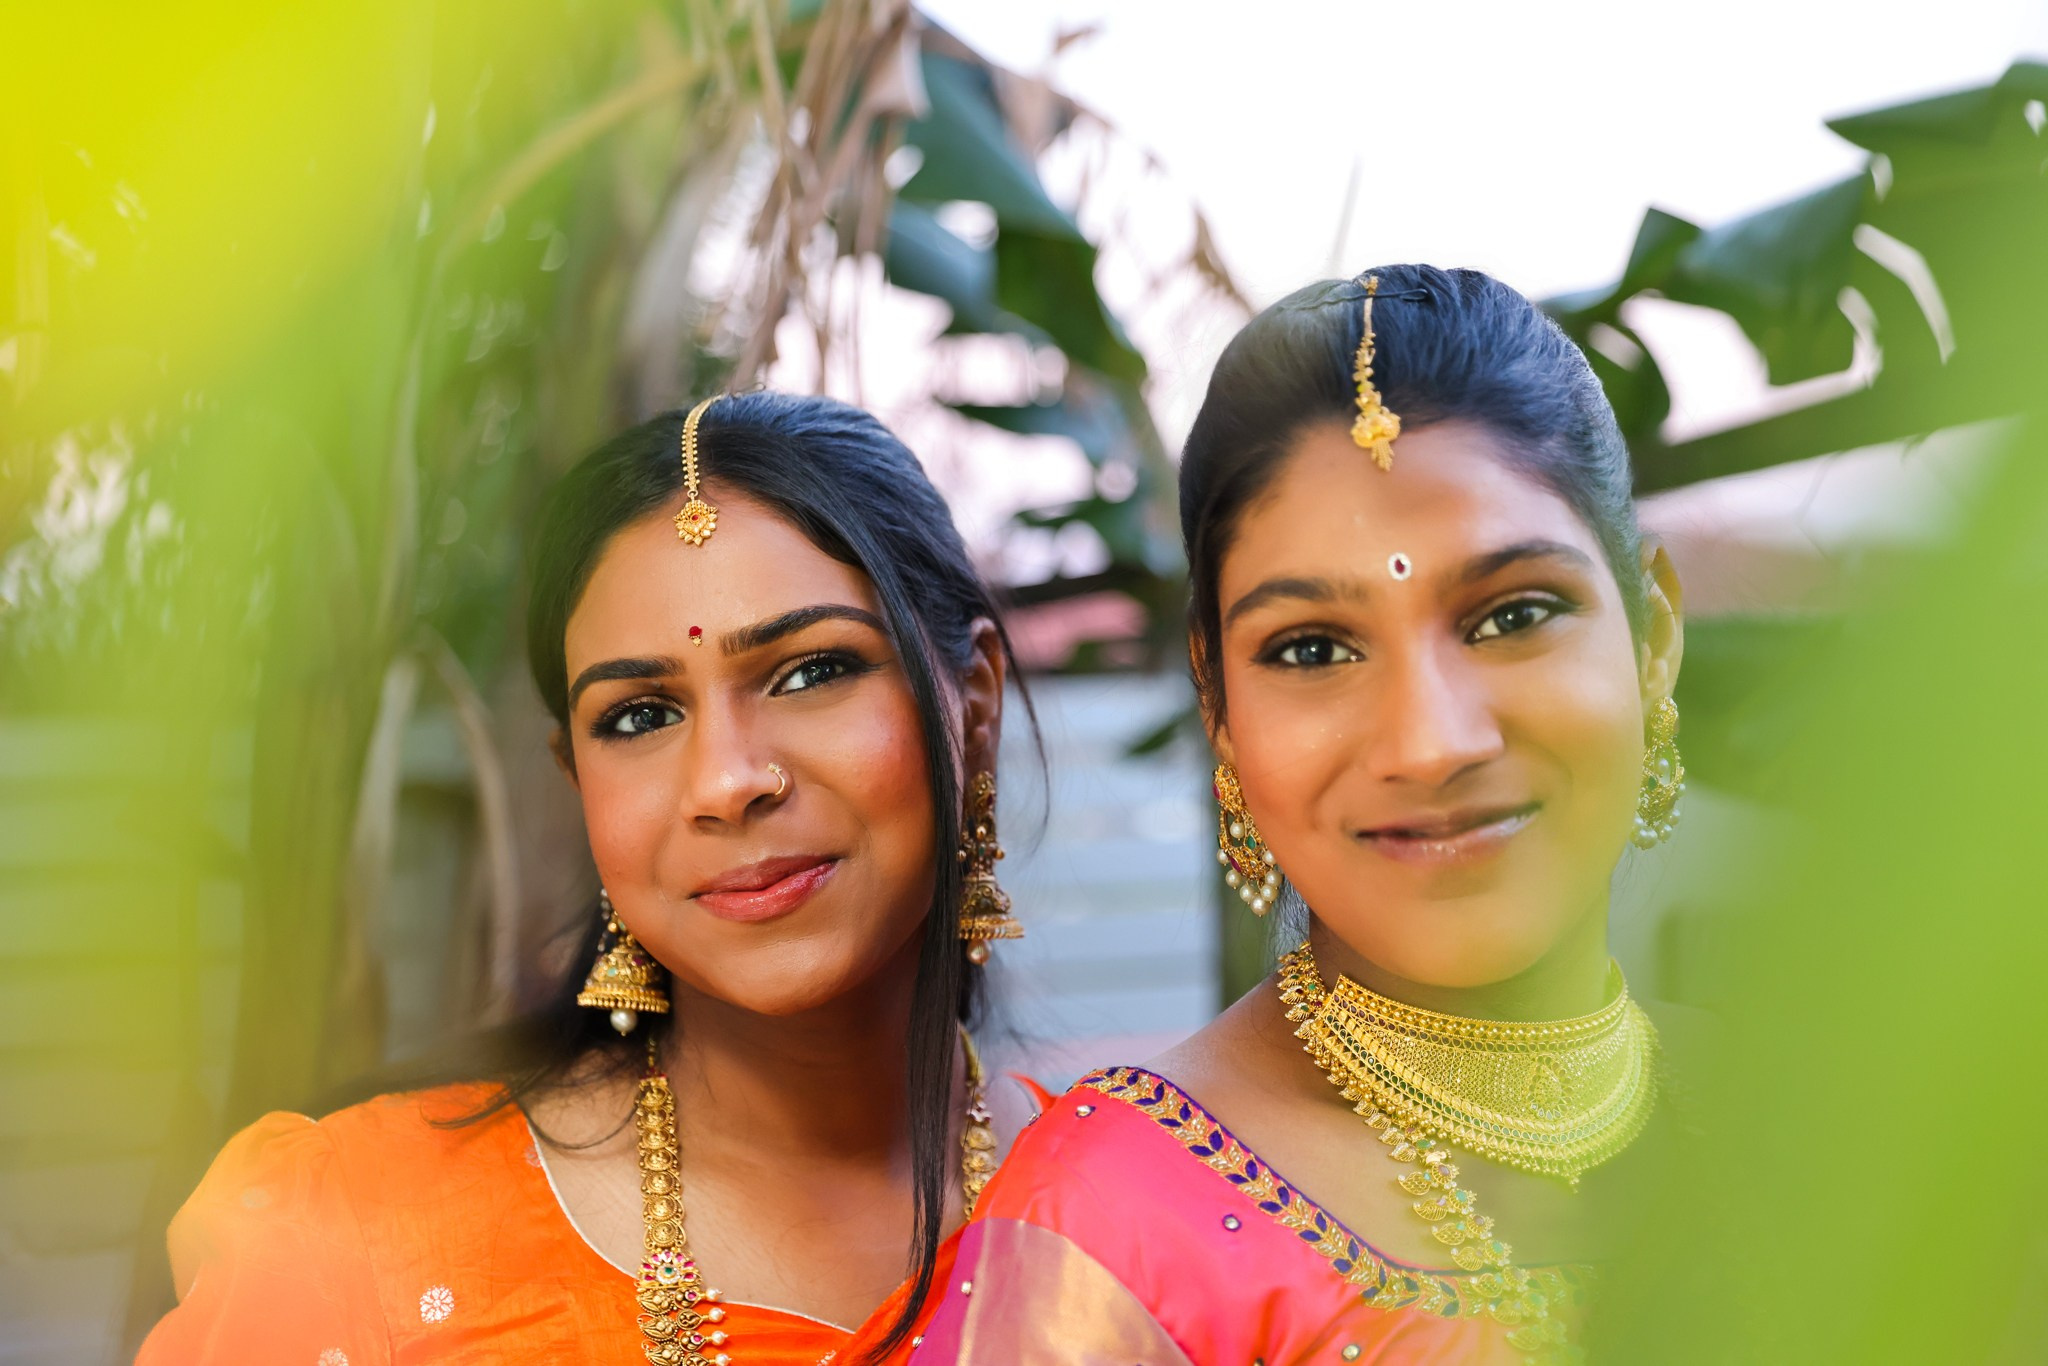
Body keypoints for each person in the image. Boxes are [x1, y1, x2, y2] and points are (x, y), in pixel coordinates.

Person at [139, 391, 1034, 1365]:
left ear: (974, 704)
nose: (727, 782)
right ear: (576, 778)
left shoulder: (1146, 1204)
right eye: (641, 716)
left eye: (810, 670)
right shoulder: (349, 1238)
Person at [922, 265, 1690, 1365]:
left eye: (1512, 614)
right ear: (1218, 706)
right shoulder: (1104, 1232)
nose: (1429, 741)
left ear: (1652, 637)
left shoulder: (1822, 1113)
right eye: (1312, 650)